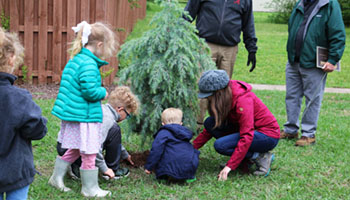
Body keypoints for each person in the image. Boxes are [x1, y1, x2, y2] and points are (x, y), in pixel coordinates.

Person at [48, 21, 118, 197]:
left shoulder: (77, 58)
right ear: (99, 45)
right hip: (85, 116)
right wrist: (102, 92)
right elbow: (89, 91)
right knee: (90, 151)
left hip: (75, 114)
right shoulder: (88, 64)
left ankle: (56, 178)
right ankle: (89, 188)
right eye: (106, 47)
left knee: (78, 148)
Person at [193, 70, 280, 181]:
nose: (208, 99)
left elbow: (246, 135)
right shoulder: (226, 96)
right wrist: (191, 148)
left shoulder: (242, 100)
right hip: (248, 131)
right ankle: (245, 158)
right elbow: (211, 129)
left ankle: (260, 157)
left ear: (218, 92)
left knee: (221, 145)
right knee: (210, 123)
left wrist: (229, 166)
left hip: (267, 136)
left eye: (209, 96)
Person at [281, 0, 346, 146]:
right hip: (294, 60)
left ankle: (308, 134)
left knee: (312, 99)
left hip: (313, 62)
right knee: (291, 96)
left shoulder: (329, 4)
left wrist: (333, 58)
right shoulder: (300, 3)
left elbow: (338, 33)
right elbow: (292, 28)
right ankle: (291, 130)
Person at [184, 0, 258, 125]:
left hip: (229, 48)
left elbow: (248, 23)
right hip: (204, 45)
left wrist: (252, 49)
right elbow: (188, 13)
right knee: (200, 83)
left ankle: (218, 123)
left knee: (223, 88)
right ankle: (196, 123)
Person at [0, 28, 48, 199]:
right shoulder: (19, 99)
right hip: (16, 172)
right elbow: (37, 130)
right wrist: (41, 121)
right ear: (11, 59)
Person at [56, 86, 139, 180]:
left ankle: (74, 165)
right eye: (127, 115)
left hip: (64, 146)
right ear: (119, 109)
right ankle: (113, 169)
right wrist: (105, 169)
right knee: (115, 129)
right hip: (75, 150)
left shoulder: (102, 109)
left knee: (113, 130)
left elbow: (111, 140)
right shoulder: (108, 120)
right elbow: (94, 146)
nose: (125, 118)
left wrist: (124, 154)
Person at [144, 108, 200, 183]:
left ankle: (163, 177)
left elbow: (156, 150)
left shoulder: (163, 133)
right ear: (180, 123)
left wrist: (149, 167)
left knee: (163, 153)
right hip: (189, 165)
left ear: (163, 124)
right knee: (192, 152)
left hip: (170, 167)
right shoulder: (185, 132)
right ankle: (189, 177)